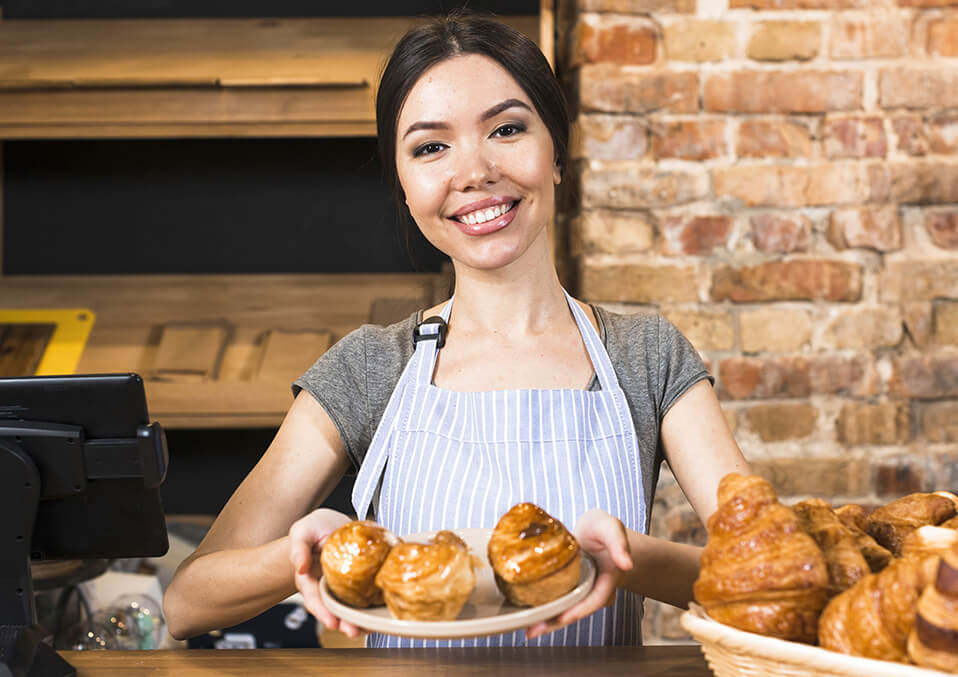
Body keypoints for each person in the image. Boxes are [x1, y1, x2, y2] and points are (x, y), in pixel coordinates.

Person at [163, 11, 750, 648]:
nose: (473, 171)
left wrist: (627, 556)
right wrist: (300, 555)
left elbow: (764, 575)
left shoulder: (645, 357)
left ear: (556, 152)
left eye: (506, 129)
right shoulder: (369, 369)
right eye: (430, 147)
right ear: (405, 187)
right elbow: (188, 603)